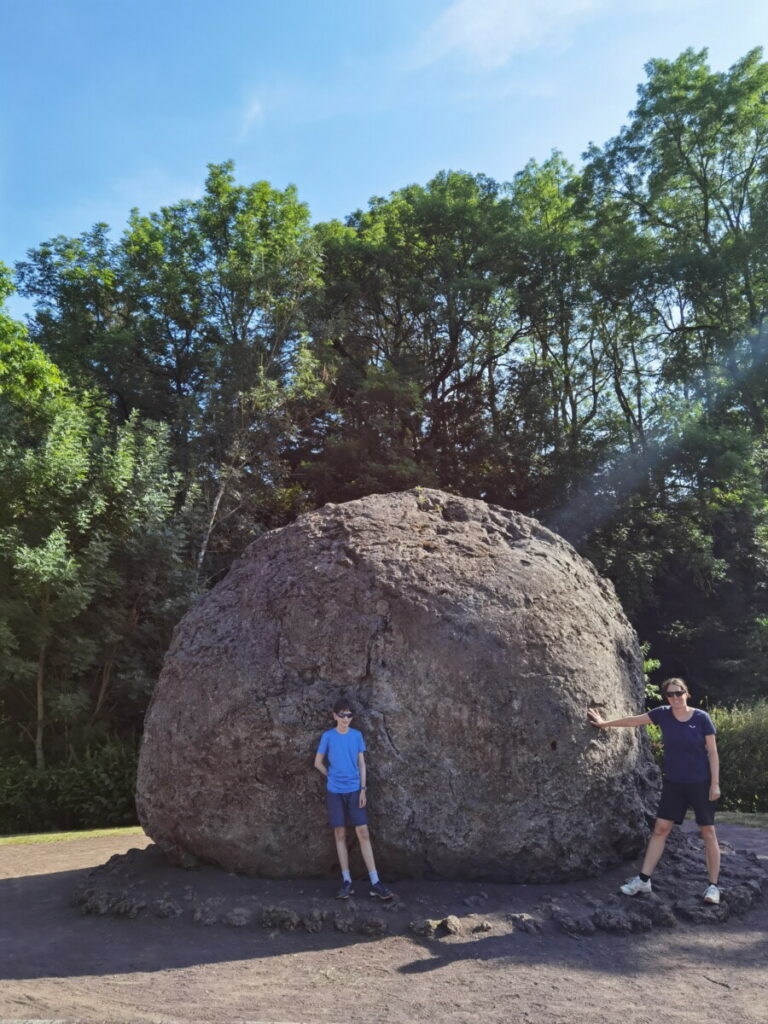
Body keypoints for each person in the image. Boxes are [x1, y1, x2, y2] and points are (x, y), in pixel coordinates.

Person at [588, 677, 721, 905]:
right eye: (670, 694)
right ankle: (643, 880)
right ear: (666, 697)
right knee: (660, 829)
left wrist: (715, 783)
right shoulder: (662, 714)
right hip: (673, 784)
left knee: (708, 832)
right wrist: (605, 723)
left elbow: (712, 753)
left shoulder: (701, 718)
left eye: (679, 693)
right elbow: (634, 721)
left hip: (700, 783)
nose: (675, 697)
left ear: (686, 693)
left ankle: (713, 887)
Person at [314, 697, 394, 901]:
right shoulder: (328, 736)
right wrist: (330, 775)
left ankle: (375, 882)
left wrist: (363, 789)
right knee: (339, 833)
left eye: (349, 715)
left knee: (363, 832)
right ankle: (346, 881)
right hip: (335, 791)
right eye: (342, 714)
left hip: (354, 790)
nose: (345, 718)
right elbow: (318, 762)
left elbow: (362, 764)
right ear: (335, 716)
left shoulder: (357, 736)